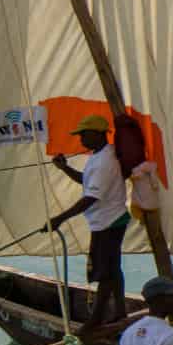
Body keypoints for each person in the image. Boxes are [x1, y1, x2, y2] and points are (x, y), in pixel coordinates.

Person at [48, 114, 131, 325]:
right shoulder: (100, 154)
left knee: (105, 271)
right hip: (110, 220)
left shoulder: (105, 161)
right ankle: (120, 311)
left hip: (109, 221)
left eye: (84, 134)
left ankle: (96, 320)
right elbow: (86, 181)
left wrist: (59, 218)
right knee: (112, 268)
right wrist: (64, 167)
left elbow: (91, 198)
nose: (81, 139)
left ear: (97, 133)